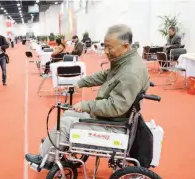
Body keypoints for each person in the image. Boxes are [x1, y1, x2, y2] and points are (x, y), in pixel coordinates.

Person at [25, 24, 150, 167]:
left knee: (65, 124)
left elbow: (115, 107)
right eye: (105, 46)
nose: (106, 51)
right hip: (114, 117)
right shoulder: (125, 60)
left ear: (126, 46)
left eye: (110, 47)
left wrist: (86, 105)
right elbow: (105, 75)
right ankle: (54, 144)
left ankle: (45, 159)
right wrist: (81, 82)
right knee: (68, 114)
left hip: (115, 123)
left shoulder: (130, 72)